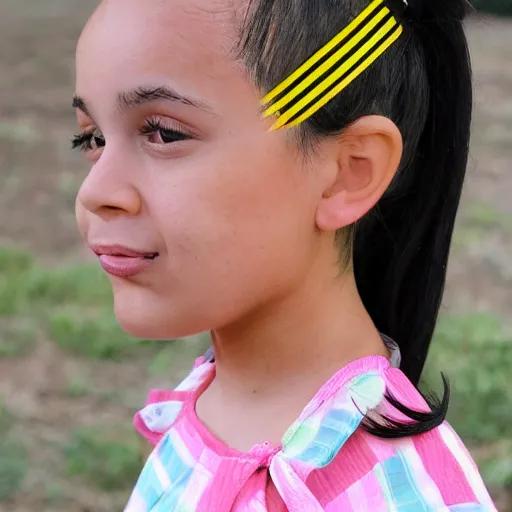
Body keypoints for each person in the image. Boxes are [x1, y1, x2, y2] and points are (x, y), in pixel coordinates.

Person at [73, 0, 497, 509]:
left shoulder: (394, 492)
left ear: (349, 172)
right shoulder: (207, 400)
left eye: (164, 133)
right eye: (92, 137)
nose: (95, 191)